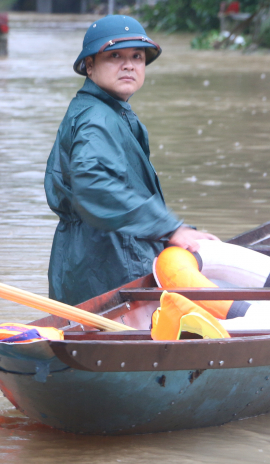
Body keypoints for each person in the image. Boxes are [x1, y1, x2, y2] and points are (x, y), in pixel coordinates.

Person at [45, 15, 219, 305]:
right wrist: (170, 229)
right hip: (104, 265)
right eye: (115, 56)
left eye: (137, 56)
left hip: (95, 260)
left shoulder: (109, 111)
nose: (128, 65)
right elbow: (93, 184)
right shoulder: (96, 120)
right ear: (90, 66)